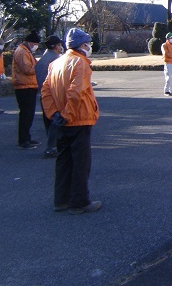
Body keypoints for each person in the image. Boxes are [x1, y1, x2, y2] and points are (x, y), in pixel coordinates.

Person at [41, 28, 101, 215]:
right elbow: (75, 92)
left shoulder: (55, 63)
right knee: (81, 162)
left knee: (63, 160)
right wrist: (67, 114)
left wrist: (55, 114)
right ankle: (80, 201)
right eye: (88, 43)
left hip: (61, 118)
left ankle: (61, 199)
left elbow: (45, 91)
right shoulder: (80, 63)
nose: (89, 46)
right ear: (82, 45)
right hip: (79, 118)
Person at [35, 35, 64, 158]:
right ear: (55, 46)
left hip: (42, 93)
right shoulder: (56, 59)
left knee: (48, 120)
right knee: (56, 121)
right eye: (59, 45)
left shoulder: (42, 59)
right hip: (53, 93)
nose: (61, 47)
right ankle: (52, 147)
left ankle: (52, 145)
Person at [12, 32, 41, 149]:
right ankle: (24, 140)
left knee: (28, 114)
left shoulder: (25, 51)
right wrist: (39, 66)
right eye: (35, 44)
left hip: (27, 85)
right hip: (24, 86)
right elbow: (27, 69)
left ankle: (26, 138)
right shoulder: (23, 52)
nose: (36, 46)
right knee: (26, 114)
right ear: (30, 42)